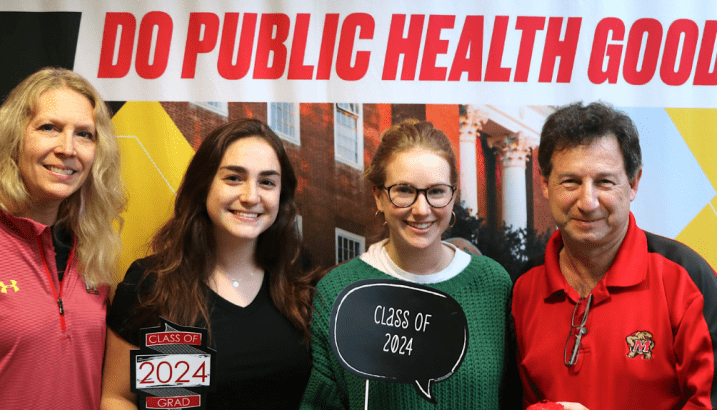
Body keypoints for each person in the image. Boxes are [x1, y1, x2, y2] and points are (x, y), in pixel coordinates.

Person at [512, 102, 717, 410]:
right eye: (571, 182)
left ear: (633, 183)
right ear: (545, 184)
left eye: (604, 182)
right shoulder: (523, 289)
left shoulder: (686, 277)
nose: (588, 201)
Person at [101, 118, 317, 409]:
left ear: (282, 195)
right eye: (233, 178)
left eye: (267, 182)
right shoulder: (151, 282)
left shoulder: (302, 282)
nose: (251, 196)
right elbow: (118, 397)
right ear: (204, 185)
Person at [301, 120, 515, 409]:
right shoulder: (339, 290)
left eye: (437, 191)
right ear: (378, 196)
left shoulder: (492, 283)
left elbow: (514, 396)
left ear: (453, 195)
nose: (421, 209)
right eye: (404, 190)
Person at [0, 67, 126, 410]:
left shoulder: (94, 253)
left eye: (84, 134)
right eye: (49, 128)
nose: (67, 148)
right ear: (14, 137)